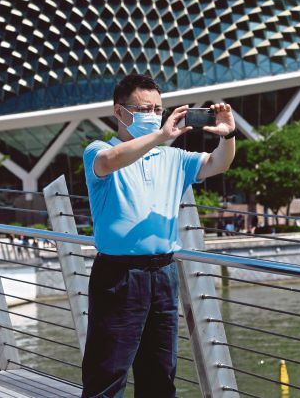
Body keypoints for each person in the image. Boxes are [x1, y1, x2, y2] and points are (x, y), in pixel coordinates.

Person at [81, 73, 236, 398]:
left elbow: (218, 164)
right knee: (106, 377)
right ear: (120, 112)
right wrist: (160, 137)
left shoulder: (173, 158)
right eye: (145, 108)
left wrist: (228, 135)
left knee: (160, 378)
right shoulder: (98, 151)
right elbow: (110, 161)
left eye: (158, 108)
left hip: (163, 274)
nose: (153, 115)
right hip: (118, 276)